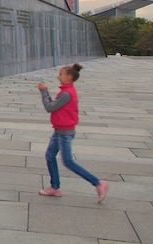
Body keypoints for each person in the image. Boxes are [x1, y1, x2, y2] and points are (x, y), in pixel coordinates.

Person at [37, 63, 109, 203]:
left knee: (68, 162)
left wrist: (44, 92)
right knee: (50, 156)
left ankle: (98, 183)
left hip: (64, 133)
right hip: (59, 131)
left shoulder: (66, 93)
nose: (59, 77)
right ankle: (55, 187)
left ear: (69, 77)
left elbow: (50, 107)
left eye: (61, 74)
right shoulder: (66, 91)